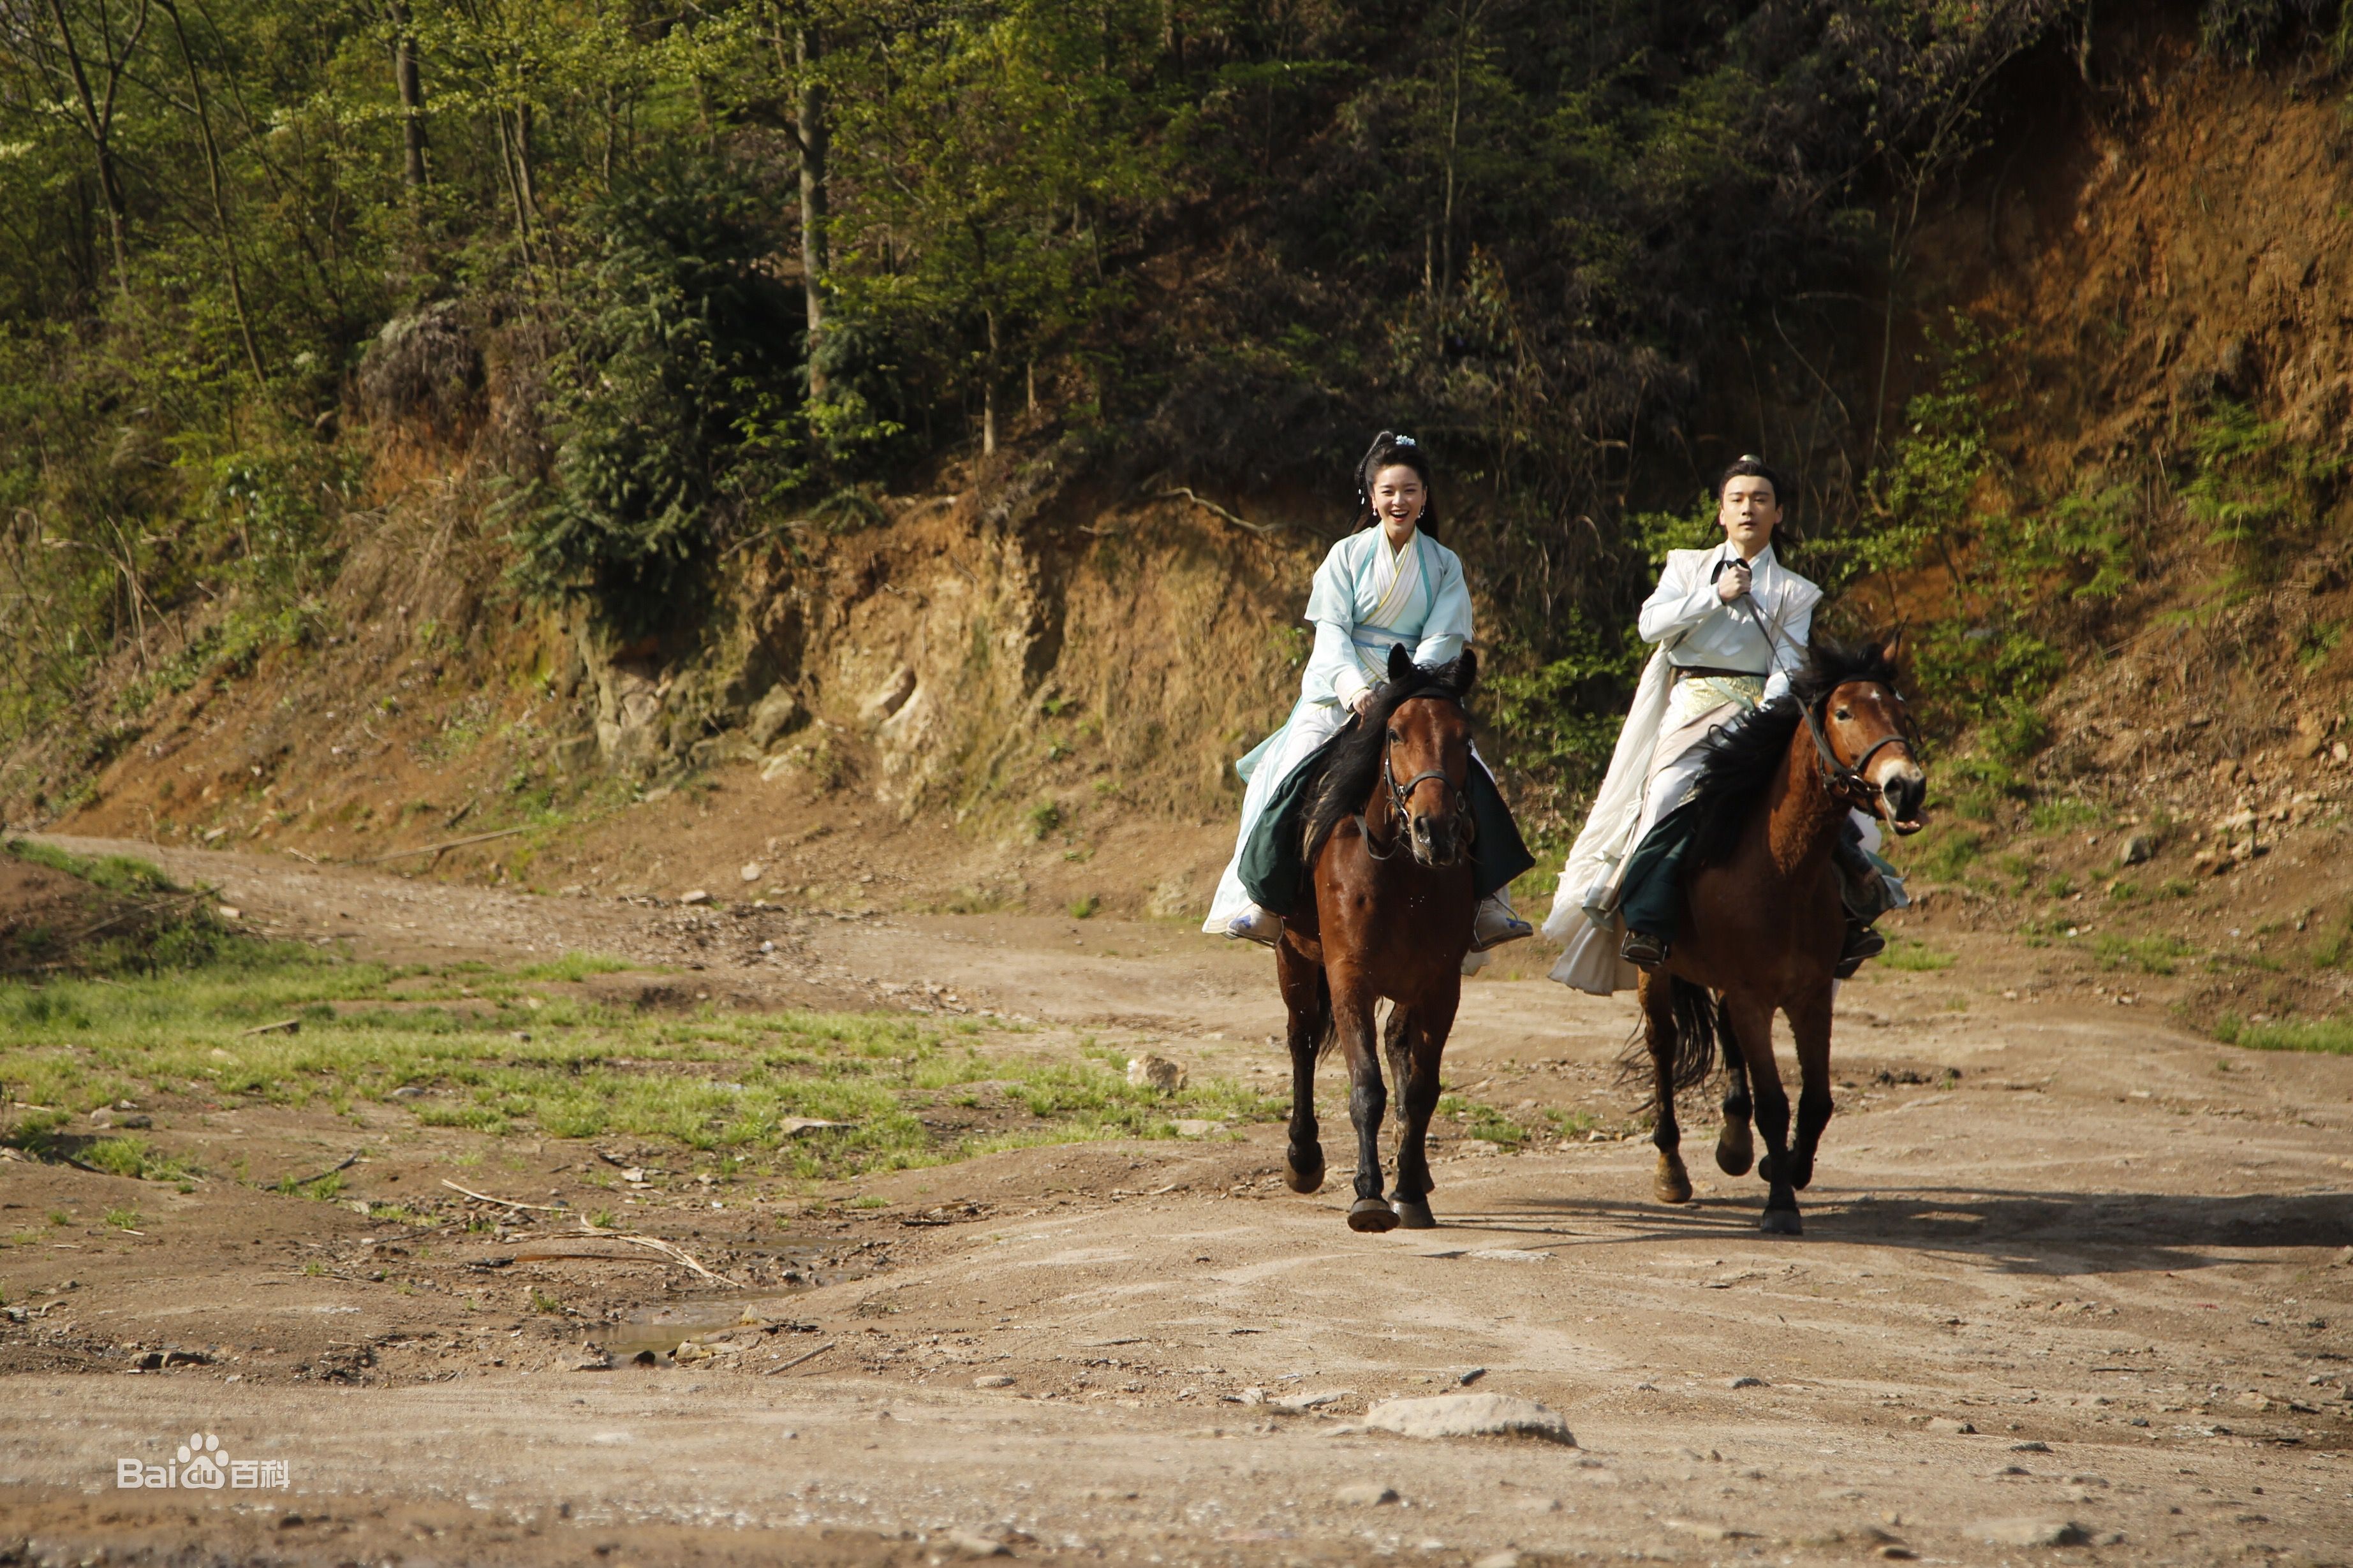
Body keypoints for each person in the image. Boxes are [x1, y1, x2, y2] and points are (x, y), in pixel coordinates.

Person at [1540, 456, 1900, 994]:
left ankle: (1852, 911)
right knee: (1665, 793)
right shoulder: (1686, 566)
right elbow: (1649, 625)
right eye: (1737, 499)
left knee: (1813, 798)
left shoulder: (1795, 591)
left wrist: (1759, 721)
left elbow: (1788, 660)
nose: (1748, 508)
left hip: (1759, 708)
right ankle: (1650, 918)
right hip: (1690, 701)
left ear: (1778, 513)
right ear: (1720, 513)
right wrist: (1715, 594)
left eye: (1759, 499)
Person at [1204, 431, 1535, 951]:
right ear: (1371, 496)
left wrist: (1404, 691)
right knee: (1286, 770)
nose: (1398, 501)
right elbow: (1331, 631)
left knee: (1471, 772)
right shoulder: (1344, 556)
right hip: (1342, 691)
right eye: (1388, 491)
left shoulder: (1444, 564)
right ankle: (1263, 900)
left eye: (1409, 490)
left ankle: (1490, 903)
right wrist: (1356, 689)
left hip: (1414, 688)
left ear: (1425, 497)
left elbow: (1444, 637)